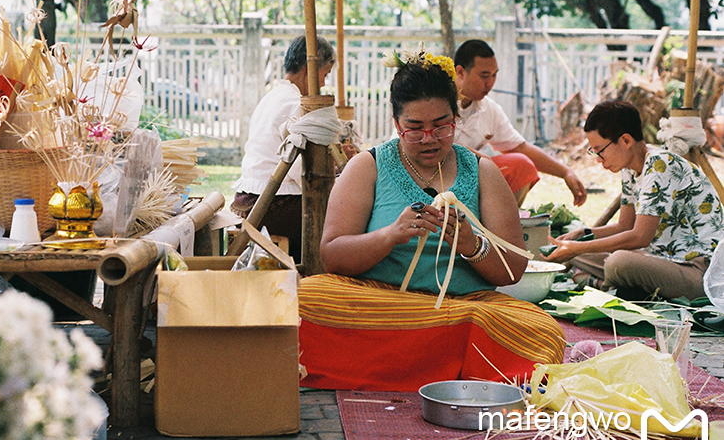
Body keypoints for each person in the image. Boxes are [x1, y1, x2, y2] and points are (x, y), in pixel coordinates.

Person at [298, 49, 565, 392]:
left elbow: (512, 269)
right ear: (397, 125)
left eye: (441, 126)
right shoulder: (368, 166)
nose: (429, 138)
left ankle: (397, 368)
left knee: (541, 329)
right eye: (415, 128)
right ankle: (447, 369)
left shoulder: (483, 171)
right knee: (307, 297)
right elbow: (332, 256)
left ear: (456, 118)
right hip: (382, 305)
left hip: (462, 310)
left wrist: (473, 245)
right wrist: (390, 235)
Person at [545, 100, 724, 301]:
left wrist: (579, 247)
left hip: (699, 271)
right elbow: (624, 226)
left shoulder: (660, 164)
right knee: (581, 250)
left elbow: (640, 237)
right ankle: (615, 285)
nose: (598, 159)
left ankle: (604, 284)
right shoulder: (630, 169)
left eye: (599, 150)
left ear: (626, 140)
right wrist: (584, 235)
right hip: (660, 259)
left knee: (617, 262)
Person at [231, 34, 335, 260]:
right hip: (270, 204)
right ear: (309, 71)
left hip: (250, 197)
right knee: (340, 217)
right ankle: (315, 277)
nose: (325, 83)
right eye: (324, 75)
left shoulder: (275, 95)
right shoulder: (293, 103)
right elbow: (303, 172)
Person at [453, 39, 586, 207]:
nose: (490, 83)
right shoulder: (437, 102)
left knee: (521, 165)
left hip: (472, 179)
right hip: (435, 178)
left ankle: (499, 224)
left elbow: (520, 147)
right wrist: (481, 159)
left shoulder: (489, 109)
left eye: (494, 75)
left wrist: (565, 172)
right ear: (460, 72)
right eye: (484, 76)